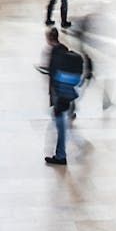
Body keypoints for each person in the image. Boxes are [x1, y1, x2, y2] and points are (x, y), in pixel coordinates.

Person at [40, 26, 83, 166]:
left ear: (49, 38)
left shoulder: (53, 52)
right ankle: (60, 153)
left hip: (60, 94)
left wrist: (53, 98)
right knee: (60, 123)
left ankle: (61, 155)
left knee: (60, 125)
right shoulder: (63, 48)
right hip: (67, 92)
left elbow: (53, 76)